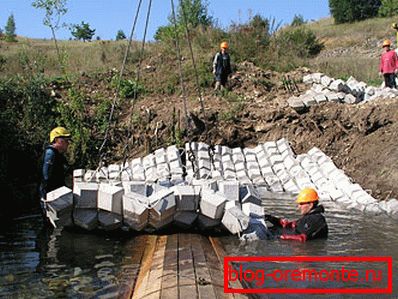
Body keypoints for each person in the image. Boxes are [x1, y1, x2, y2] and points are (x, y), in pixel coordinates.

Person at [39, 127, 71, 201]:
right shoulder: (50, 154)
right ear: (56, 140)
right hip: (50, 195)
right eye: (65, 140)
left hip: (57, 193)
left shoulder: (59, 154)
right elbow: (46, 176)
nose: (68, 143)